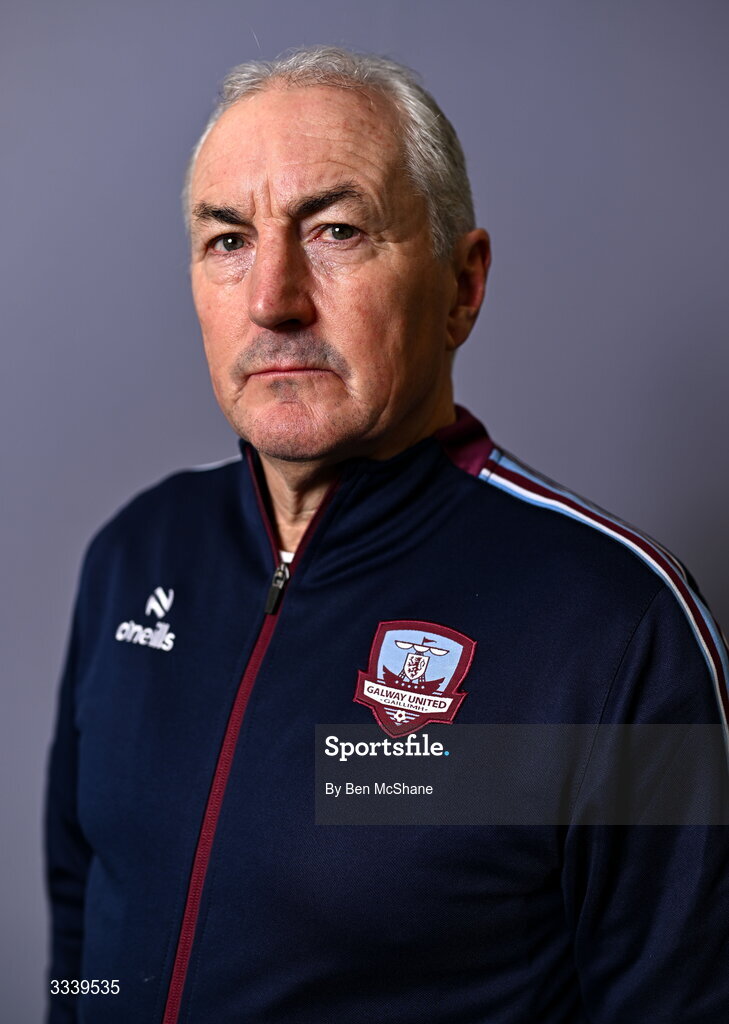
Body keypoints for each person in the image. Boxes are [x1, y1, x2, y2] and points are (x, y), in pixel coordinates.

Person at [44, 46, 729, 1024]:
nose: (274, 298)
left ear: (462, 285)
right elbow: (84, 923)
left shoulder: (618, 630)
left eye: (336, 229)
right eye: (228, 240)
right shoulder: (134, 555)